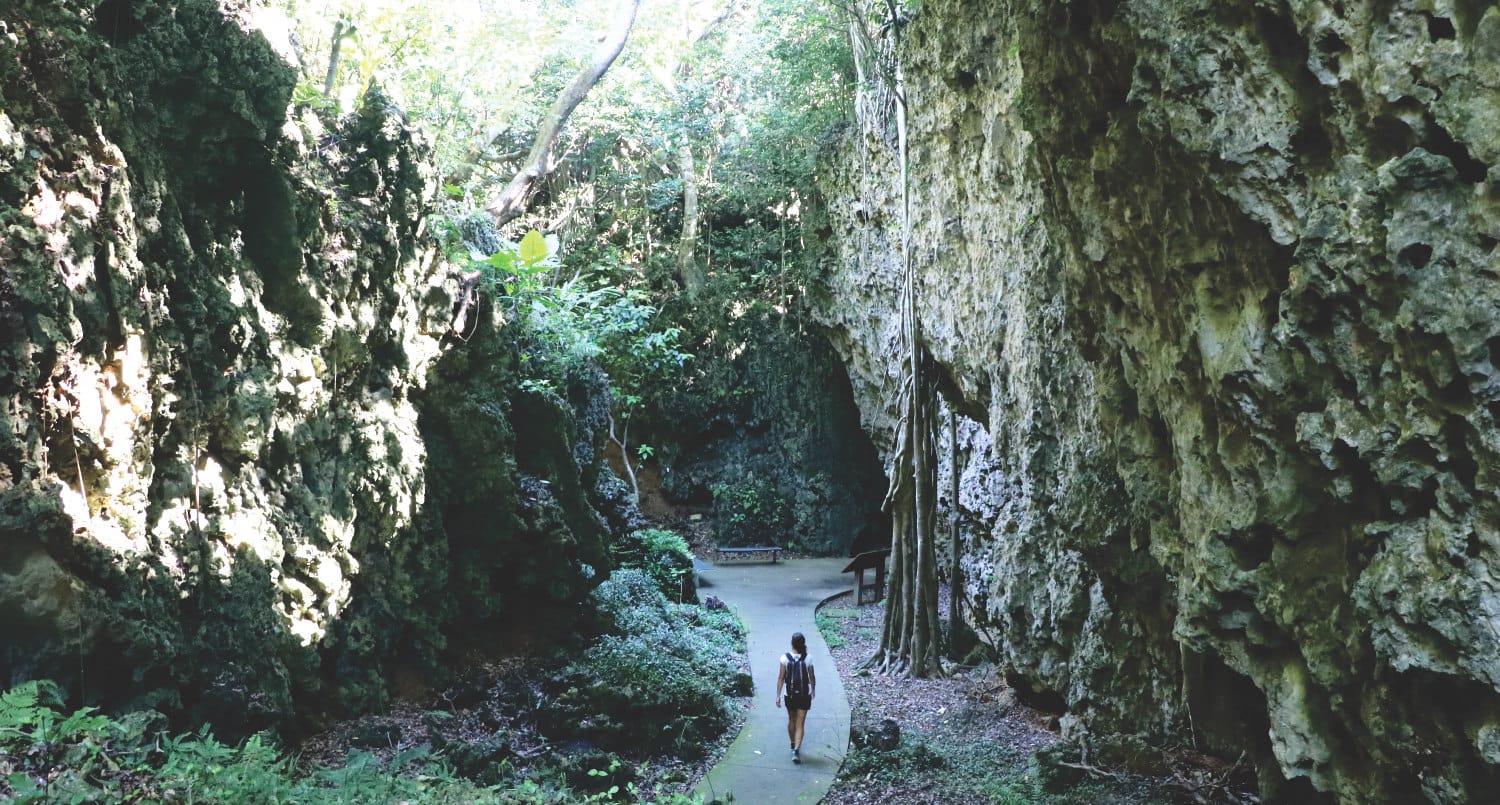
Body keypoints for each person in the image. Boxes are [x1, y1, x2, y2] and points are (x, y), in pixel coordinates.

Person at [775, 632, 816, 763]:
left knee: (791, 720)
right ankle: (796, 750)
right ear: (803, 643)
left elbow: (781, 678)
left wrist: (778, 695)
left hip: (790, 695)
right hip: (804, 695)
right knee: (800, 723)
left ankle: (793, 743)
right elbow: (812, 677)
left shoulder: (784, 658)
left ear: (792, 643)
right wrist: (813, 690)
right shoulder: (808, 658)